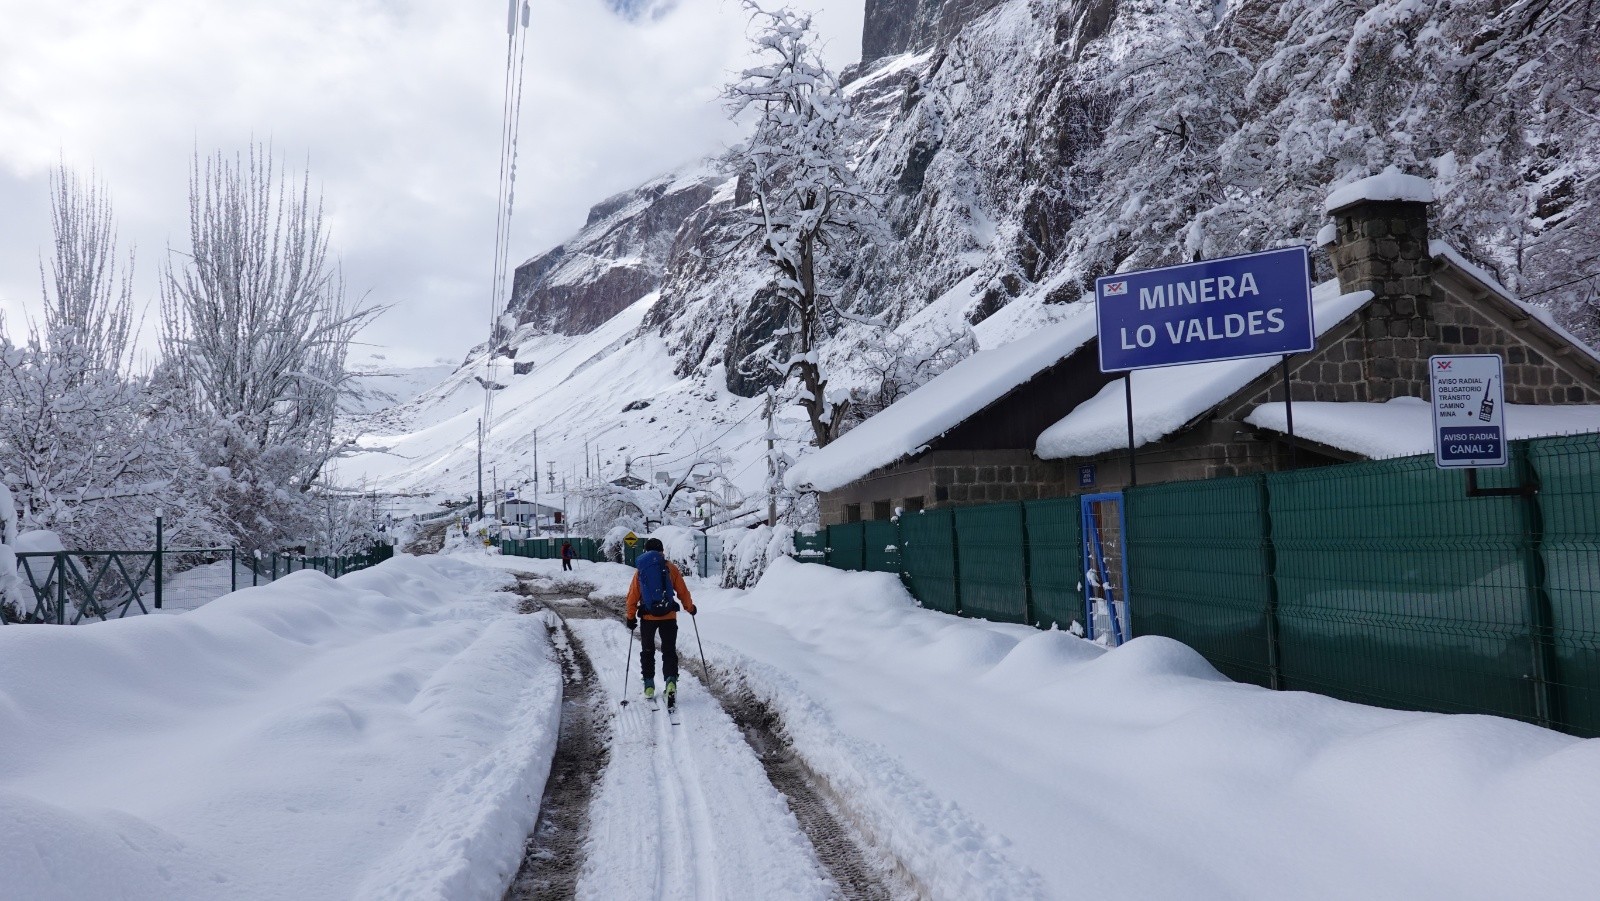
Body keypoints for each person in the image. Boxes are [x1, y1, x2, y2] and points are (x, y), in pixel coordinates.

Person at [625, 537, 696, 707]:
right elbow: (682, 591)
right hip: (669, 616)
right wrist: (690, 607)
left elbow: (632, 595)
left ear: (646, 551)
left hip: (648, 618)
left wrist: (630, 617)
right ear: (662, 551)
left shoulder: (641, 571)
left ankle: (649, 685)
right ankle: (671, 683)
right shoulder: (671, 568)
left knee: (647, 651)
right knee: (669, 651)